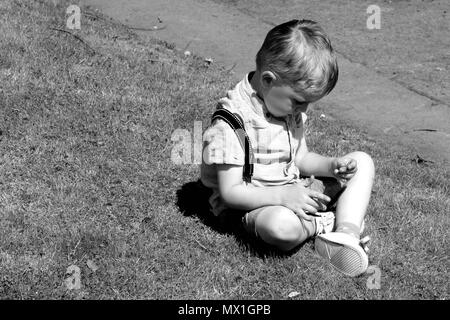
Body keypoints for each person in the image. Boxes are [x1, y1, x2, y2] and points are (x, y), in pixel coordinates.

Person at [200, 19, 375, 277]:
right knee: (281, 227)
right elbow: (231, 194)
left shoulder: (283, 107)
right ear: (268, 80)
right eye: (299, 102)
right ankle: (326, 225)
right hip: (253, 208)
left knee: (362, 161)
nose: (303, 111)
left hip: (293, 192)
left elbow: (300, 158)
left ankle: (346, 233)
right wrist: (284, 197)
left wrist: (331, 166)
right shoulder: (231, 125)